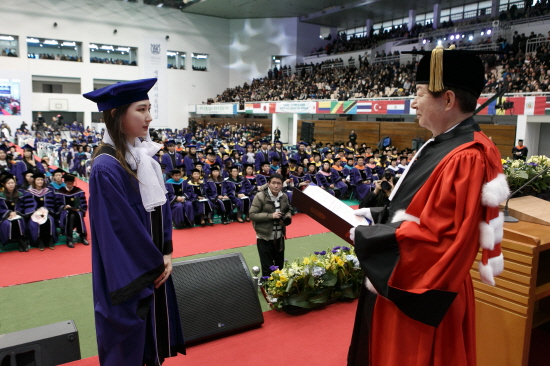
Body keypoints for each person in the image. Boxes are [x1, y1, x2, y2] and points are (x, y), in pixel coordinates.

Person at [347, 47, 509, 366]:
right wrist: (379, 216)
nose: (413, 102)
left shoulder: (466, 157)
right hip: (408, 285)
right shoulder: (443, 144)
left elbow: (442, 241)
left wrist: (372, 237)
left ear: (447, 100)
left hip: (424, 291)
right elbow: (421, 210)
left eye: (420, 93)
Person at [83, 78, 185, 365]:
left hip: (153, 267)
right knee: (129, 349)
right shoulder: (106, 167)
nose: (149, 117)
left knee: (151, 348)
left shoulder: (143, 158)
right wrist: (152, 265)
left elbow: (160, 210)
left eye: (149, 109)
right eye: (141, 109)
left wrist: (166, 252)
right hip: (129, 275)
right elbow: (118, 231)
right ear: (116, 114)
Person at [249, 173, 292, 278]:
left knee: (279, 266)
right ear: (268, 183)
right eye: (273, 183)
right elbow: (252, 215)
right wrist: (271, 216)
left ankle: (279, 288)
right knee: (267, 268)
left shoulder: (284, 197)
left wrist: (287, 219)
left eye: (279, 183)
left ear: (282, 185)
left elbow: (288, 210)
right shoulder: (260, 196)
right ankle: (267, 288)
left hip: (279, 236)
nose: (276, 186)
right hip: (264, 237)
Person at [21, 172, 57, 251]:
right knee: (34, 221)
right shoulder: (29, 192)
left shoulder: (48, 191)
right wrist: (34, 212)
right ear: (34, 181)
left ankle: (50, 240)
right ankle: (39, 241)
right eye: (38, 180)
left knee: (50, 220)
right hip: (33, 213)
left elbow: (51, 204)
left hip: (46, 212)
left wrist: (46, 211)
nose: (40, 181)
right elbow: (27, 205)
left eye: (41, 180)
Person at [55, 174, 88, 248]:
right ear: (65, 182)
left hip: (76, 210)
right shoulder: (60, 192)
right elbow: (57, 204)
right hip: (65, 211)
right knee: (70, 216)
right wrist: (64, 206)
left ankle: (83, 237)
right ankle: (69, 239)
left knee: (78, 214)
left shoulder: (78, 191)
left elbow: (82, 203)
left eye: (71, 183)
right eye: (68, 183)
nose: (70, 185)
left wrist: (79, 208)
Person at [0, 174, 28, 251]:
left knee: (19, 220)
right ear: (4, 185)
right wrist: (8, 213)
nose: (11, 185)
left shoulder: (20, 194)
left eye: (12, 183)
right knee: (8, 223)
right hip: (5, 216)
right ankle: (21, 242)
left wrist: (16, 212)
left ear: (15, 183)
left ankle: (21, 241)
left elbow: (23, 206)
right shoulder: (1, 195)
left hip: (17, 215)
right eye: (8, 183)